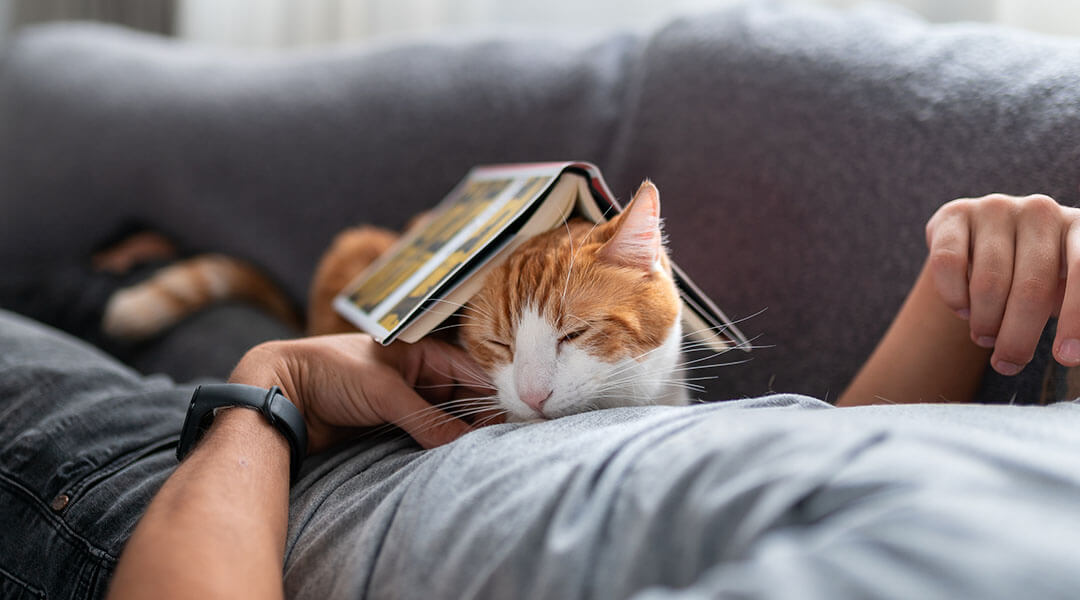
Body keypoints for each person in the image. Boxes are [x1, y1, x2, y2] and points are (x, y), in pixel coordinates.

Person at [2, 192, 1079, 599]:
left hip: (184, 495)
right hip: (339, 411)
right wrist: (969, 272)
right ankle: (134, 270)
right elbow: (848, 454)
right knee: (169, 308)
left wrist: (264, 394)